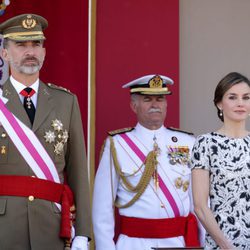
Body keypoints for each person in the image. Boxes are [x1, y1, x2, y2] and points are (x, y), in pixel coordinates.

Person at [0, 13, 91, 250]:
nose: (30, 51)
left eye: (36, 44)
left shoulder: (65, 101)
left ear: (44, 51)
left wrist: (83, 232)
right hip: (4, 227)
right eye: (21, 44)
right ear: (5, 53)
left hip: (51, 228)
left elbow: (78, 170)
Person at [92, 74, 204, 250]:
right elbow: (102, 209)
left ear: (166, 104)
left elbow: (199, 202)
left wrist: (206, 243)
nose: (155, 105)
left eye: (160, 99)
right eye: (147, 99)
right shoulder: (117, 144)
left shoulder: (188, 143)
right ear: (133, 105)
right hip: (134, 244)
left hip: (178, 243)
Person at [191, 72, 250, 249]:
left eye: (246, 97)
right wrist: (226, 246)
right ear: (219, 103)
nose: (240, 103)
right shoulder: (205, 143)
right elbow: (200, 206)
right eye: (232, 97)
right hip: (222, 245)